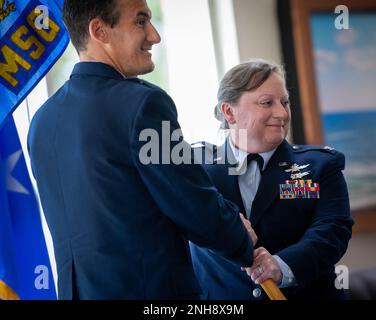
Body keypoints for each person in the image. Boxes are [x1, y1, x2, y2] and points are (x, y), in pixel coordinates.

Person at [27, 0, 256, 300]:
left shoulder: (41, 120)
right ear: (99, 31)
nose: (154, 35)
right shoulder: (144, 105)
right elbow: (190, 201)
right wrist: (240, 237)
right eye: (140, 21)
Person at [190, 59, 354, 300]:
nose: (282, 113)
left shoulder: (320, 166)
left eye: (284, 102)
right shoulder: (193, 170)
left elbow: (332, 231)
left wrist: (282, 265)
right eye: (267, 103)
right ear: (229, 112)